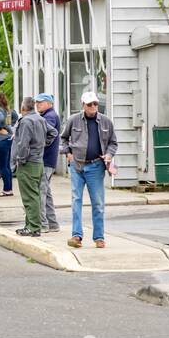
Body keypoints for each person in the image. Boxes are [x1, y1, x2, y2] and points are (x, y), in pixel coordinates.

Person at [60, 91, 117, 249]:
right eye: (89, 104)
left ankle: (99, 237)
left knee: (98, 203)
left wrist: (109, 154)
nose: (93, 107)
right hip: (77, 165)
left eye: (95, 104)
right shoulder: (74, 120)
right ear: (83, 105)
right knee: (76, 200)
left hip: (96, 166)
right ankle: (76, 236)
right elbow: (63, 138)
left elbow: (113, 142)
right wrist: (68, 153)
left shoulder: (106, 122)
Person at [11, 97, 54, 237]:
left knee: (29, 197)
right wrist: (42, 145)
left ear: (23, 108)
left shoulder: (26, 121)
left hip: (28, 163)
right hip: (39, 162)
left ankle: (34, 227)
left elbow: (23, 144)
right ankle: (29, 225)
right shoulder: (40, 119)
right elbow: (53, 132)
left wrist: (21, 159)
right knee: (34, 194)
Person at [35, 93, 61, 233]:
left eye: (41, 102)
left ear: (49, 103)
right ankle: (52, 223)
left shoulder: (49, 116)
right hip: (48, 160)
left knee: (41, 192)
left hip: (45, 160)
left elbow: (45, 134)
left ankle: (43, 224)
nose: (37, 104)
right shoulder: (47, 115)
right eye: (36, 102)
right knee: (47, 193)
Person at [0, 91, 16, 197]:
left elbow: (0, 120)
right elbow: (15, 117)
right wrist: (10, 127)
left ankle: (7, 189)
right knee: (7, 166)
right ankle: (9, 188)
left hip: (1, 139)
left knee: (2, 167)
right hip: (9, 138)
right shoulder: (8, 109)